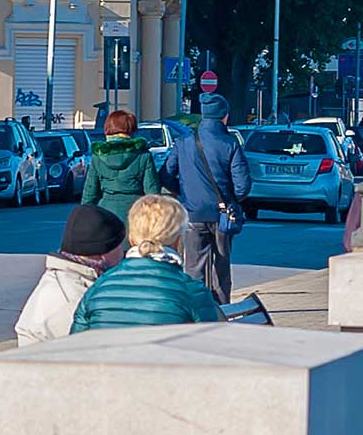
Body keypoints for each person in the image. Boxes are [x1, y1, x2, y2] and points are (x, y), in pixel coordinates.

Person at [70, 195, 222, 333]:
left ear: (131, 239)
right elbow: (210, 350)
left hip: (104, 362)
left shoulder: (98, 288)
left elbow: (75, 345)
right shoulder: (192, 292)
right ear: (178, 241)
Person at [159, 93, 250, 302]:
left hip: (192, 213)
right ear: (224, 117)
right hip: (223, 215)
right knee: (222, 265)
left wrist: (184, 193)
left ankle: (197, 308)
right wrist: (231, 200)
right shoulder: (230, 144)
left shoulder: (183, 142)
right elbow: (243, 185)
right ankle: (221, 307)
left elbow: (165, 174)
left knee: (193, 265)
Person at [14, 204, 128, 345]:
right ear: (103, 253)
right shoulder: (73, 300)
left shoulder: (66, 279)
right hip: (51, 363)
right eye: (119, 246)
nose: (123, 253)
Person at [79, 109, 161, 222]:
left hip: (105, 212)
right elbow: (152, 191)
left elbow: (90, 192)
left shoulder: (98, 155)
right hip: (136, 213)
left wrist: (83, 217)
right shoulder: (143, 155)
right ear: (131, 130)